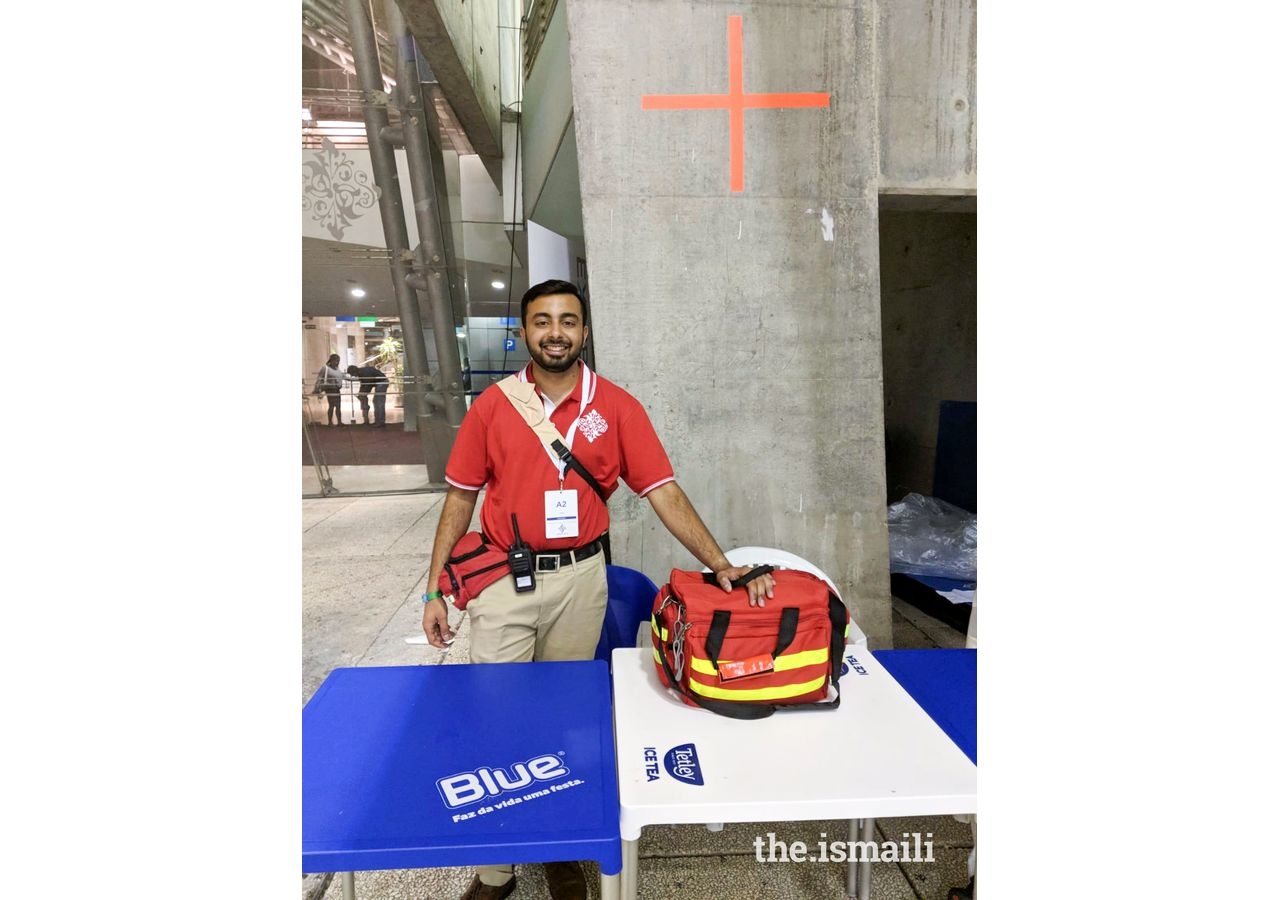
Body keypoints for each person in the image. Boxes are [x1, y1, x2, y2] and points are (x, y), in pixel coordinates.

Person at [421, 279, 774, 900]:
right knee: (497, 718)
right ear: (524, 331)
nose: (555, 332)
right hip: (506, 578)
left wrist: (721, 563)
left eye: (568, 320)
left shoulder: (616, 406)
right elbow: (460, 496)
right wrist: (433, 591)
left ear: (584, 331)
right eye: (541, 321)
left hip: (583, 580)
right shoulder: (494, 406)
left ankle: (557, 846)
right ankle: (496, 868)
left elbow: (661, 489)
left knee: (561, 720)